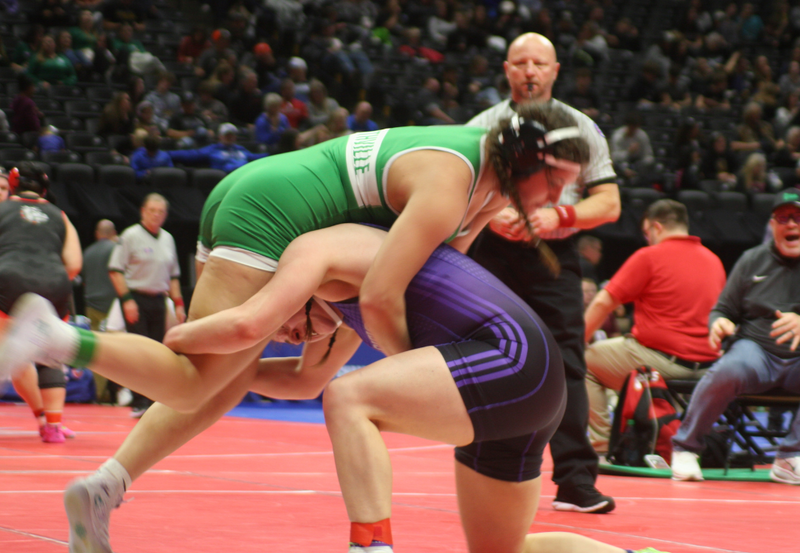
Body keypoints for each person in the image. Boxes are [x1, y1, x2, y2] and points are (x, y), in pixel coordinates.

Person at [466, 32, 620, 514]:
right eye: (521, 62)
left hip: (554, 254)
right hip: (489, 250)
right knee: (483, 357)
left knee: (568, 361)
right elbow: (455, 192)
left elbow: (609, 203)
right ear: (507, 69)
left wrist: (561, 216)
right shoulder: (481, 127)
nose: (530, 71)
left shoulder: (581, 128)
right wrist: (490, 216)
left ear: (555, 71)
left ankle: (575, 481)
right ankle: (478, 465)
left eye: (540, 63)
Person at [670, 188, 800, 485]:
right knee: (730, 368)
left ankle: (789, 458)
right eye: (784, 217)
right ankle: (686, 448)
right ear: (772, 224)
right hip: (757, 352)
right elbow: (723, 309)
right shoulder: (751, 260)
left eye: (798, 217)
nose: (792, 224)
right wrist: (720, 323)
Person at [583, 200, 726, 455]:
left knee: (585, 361)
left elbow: (604, 301)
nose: (647, 239)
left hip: (661, 363)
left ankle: (602, 446)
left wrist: (576, 340)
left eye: (647, 234)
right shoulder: (714, 260)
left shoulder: (649, 256)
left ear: (656, 227)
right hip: (709, 368)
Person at [0, 163, 82, 443]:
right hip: (54, 284)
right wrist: (43, 276)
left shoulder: (3, 210)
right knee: (51, 355)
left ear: (12, 185)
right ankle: (52, 425)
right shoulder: (59, 214)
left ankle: (45, 419)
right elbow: (73, 264)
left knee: (10, 351)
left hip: (8, 281)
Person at [107, 193, 186, 418]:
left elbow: (174, 276)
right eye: (152, 210)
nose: (156, 215)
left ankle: (154, 400)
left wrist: (178, 303)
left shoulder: (168, 239)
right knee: (138, 350)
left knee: (158, 351)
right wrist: (126, 300)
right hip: (136, 297)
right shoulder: (130, 235)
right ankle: (139, 399)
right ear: (143, 211)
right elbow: (115, 270)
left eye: (160, 212)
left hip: (159, 299)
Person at [81, 219, 119, 403]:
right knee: (113, 351)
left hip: (91, 304)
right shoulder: (115, 249)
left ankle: (96, 392)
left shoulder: (87, 252)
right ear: (112, 233)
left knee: (94, 350)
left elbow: (84, 279)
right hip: (109, 306)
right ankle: (111, 394)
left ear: (97, 234)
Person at [167, 122, 268, 173]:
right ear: (220, 136)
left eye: (232, 135)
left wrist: (277, 153)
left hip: (244, 177)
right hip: (225, 179)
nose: (229, 137)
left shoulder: (240, 149)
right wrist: (167, 154)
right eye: (227, 135)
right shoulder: (213, 149)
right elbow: (191, 155)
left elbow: (256, 157)